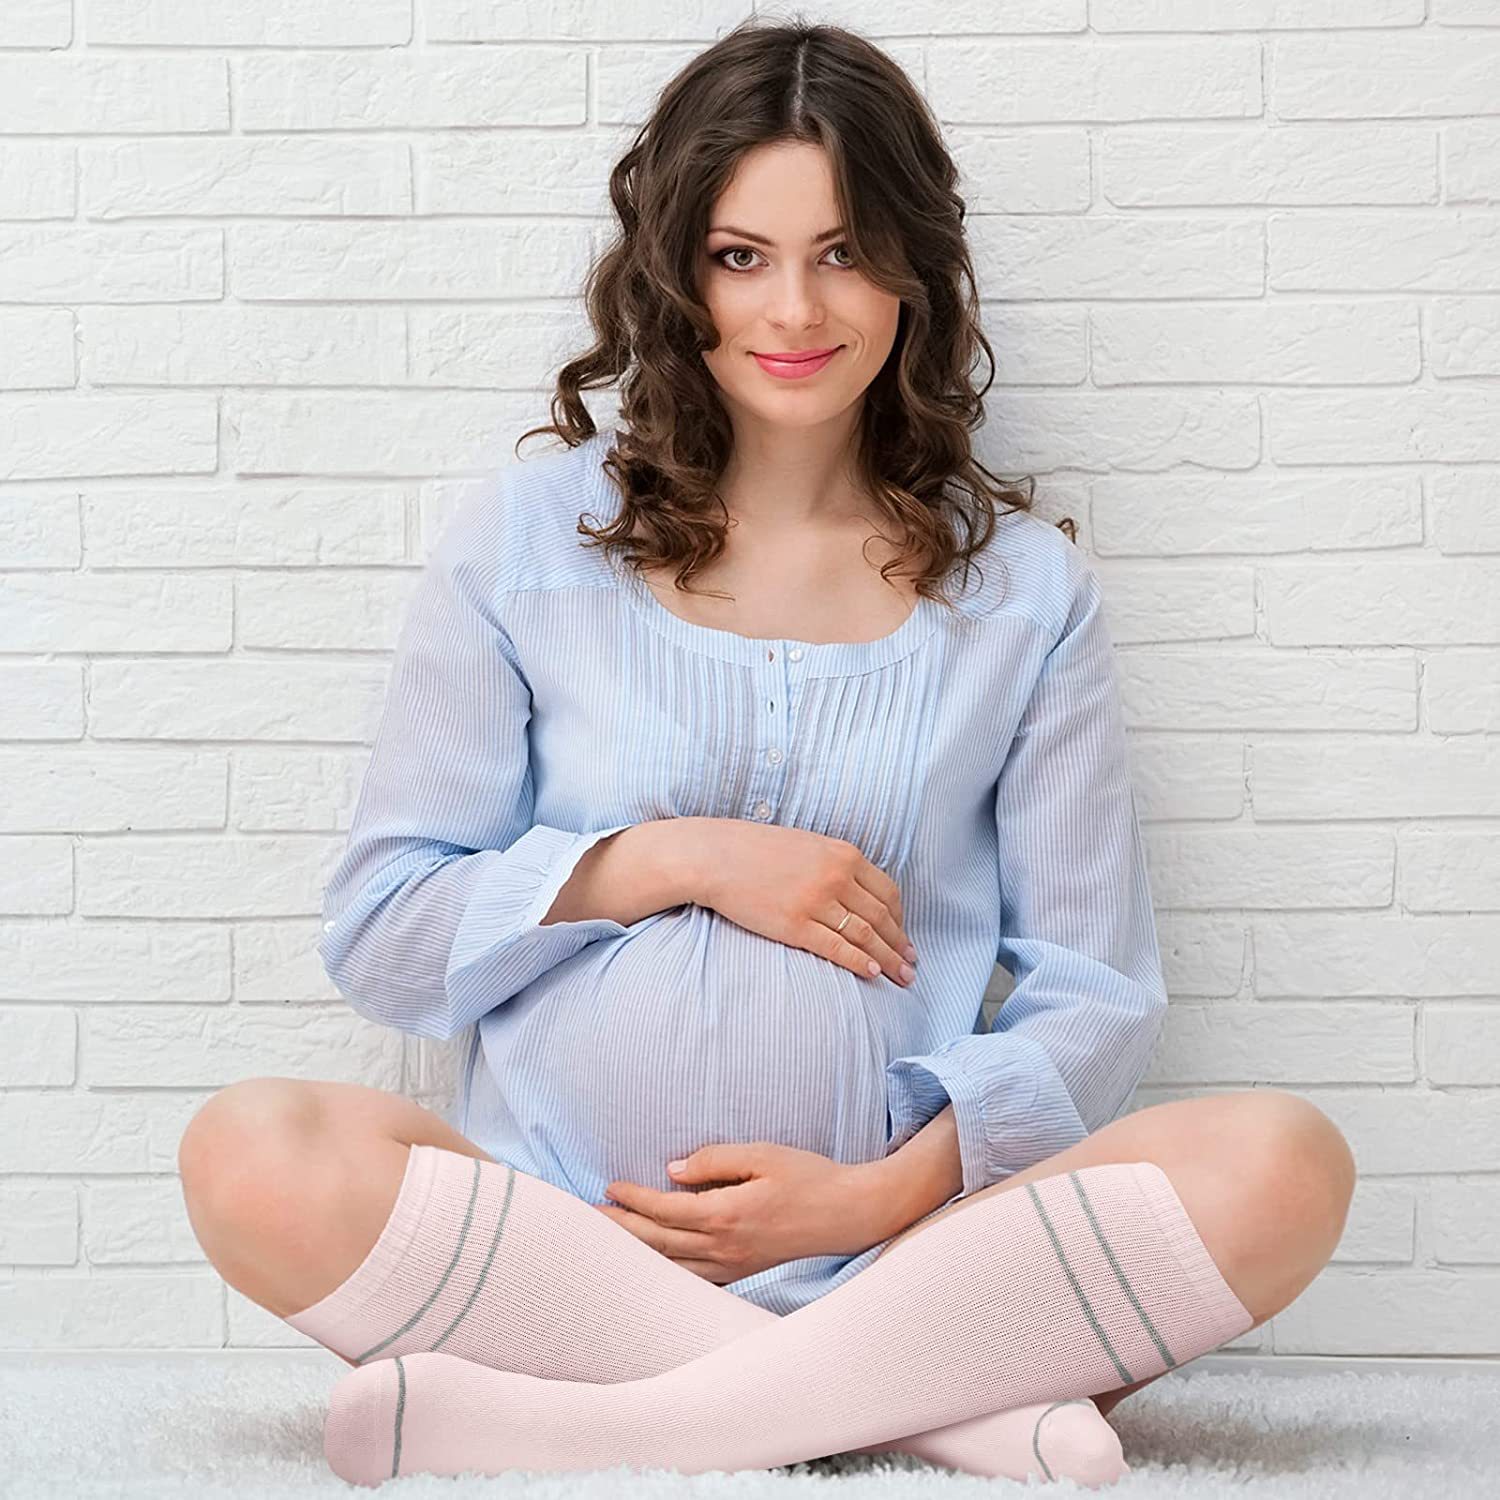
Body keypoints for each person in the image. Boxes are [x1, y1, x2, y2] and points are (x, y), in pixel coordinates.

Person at [176, 17, 1356, 1489]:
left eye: (845, 250)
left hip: (906, 1251)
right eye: (742, 255)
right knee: (253, 1149)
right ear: (674, 272)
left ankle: (614, 1415)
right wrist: (670, 860)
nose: (795, 306)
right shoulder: (530, 541)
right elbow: (385, 933)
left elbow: (1095, 993)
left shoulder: (1023, 594)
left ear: (916, 268)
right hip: (566, 1237)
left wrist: (875, 1200)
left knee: (1282, 1164)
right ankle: (917, 1411)